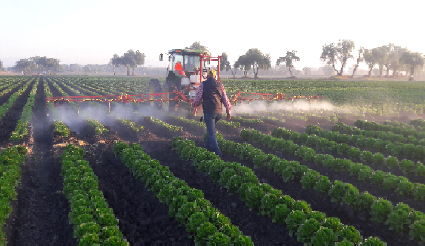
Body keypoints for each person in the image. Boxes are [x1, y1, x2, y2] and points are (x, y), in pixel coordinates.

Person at [192, 69, 231, 157]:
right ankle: (206, 147)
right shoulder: (220, 85)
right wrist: (228, 112)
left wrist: (195, 106)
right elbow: (225, 99)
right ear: (215, 76)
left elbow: (198, 97)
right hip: (218, 113)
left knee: (211, 133)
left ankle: (218, 153)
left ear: (208, 76)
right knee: (211, 131)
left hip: (209, 112)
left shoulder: (203, 84)